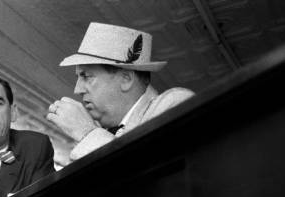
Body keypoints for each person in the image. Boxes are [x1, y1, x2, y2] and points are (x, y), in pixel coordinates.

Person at [47, 22, 195, 161]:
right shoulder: (101, 134)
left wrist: (87, 133)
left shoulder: (176, 103)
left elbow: (149, 175)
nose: (77, 89)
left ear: (126, 79)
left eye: (86, 76)